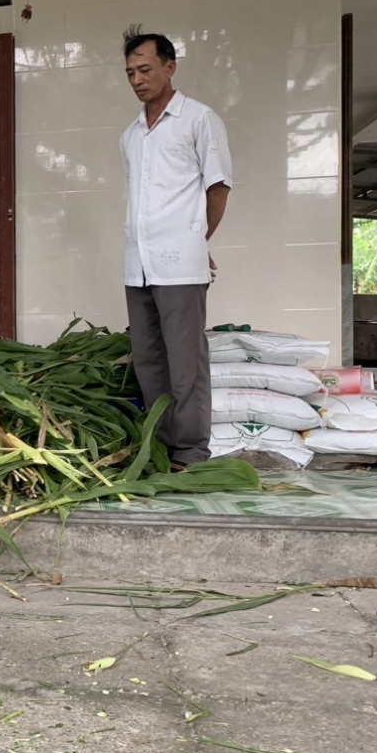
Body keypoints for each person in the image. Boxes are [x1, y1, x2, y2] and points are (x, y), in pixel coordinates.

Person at [119, 25, 232, 468]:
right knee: (149, 361)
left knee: (186, 364)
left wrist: (195, 239)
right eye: (129, 72)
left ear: (170, 67)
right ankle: (162, 449)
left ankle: (191, 453)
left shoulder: (199, 119)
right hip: (137, 264)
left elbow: (218, 189)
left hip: (180, 266)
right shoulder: (130, 135)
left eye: (145, 69)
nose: (137, 80)